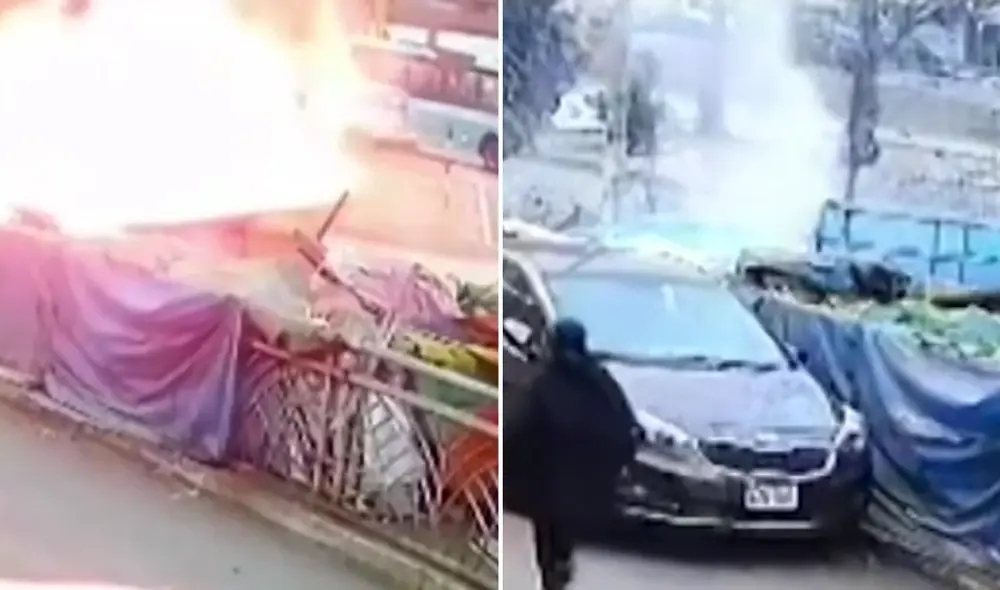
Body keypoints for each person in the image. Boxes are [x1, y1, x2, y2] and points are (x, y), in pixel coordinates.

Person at [504, 318, 638, 590]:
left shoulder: (544, 385)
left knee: (549, 535)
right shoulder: (602, 383)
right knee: (564, 533)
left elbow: (517, 429)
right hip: (588, 486)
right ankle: (561, 565)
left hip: (548, 484)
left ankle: (553, 574)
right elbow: (626, 427)